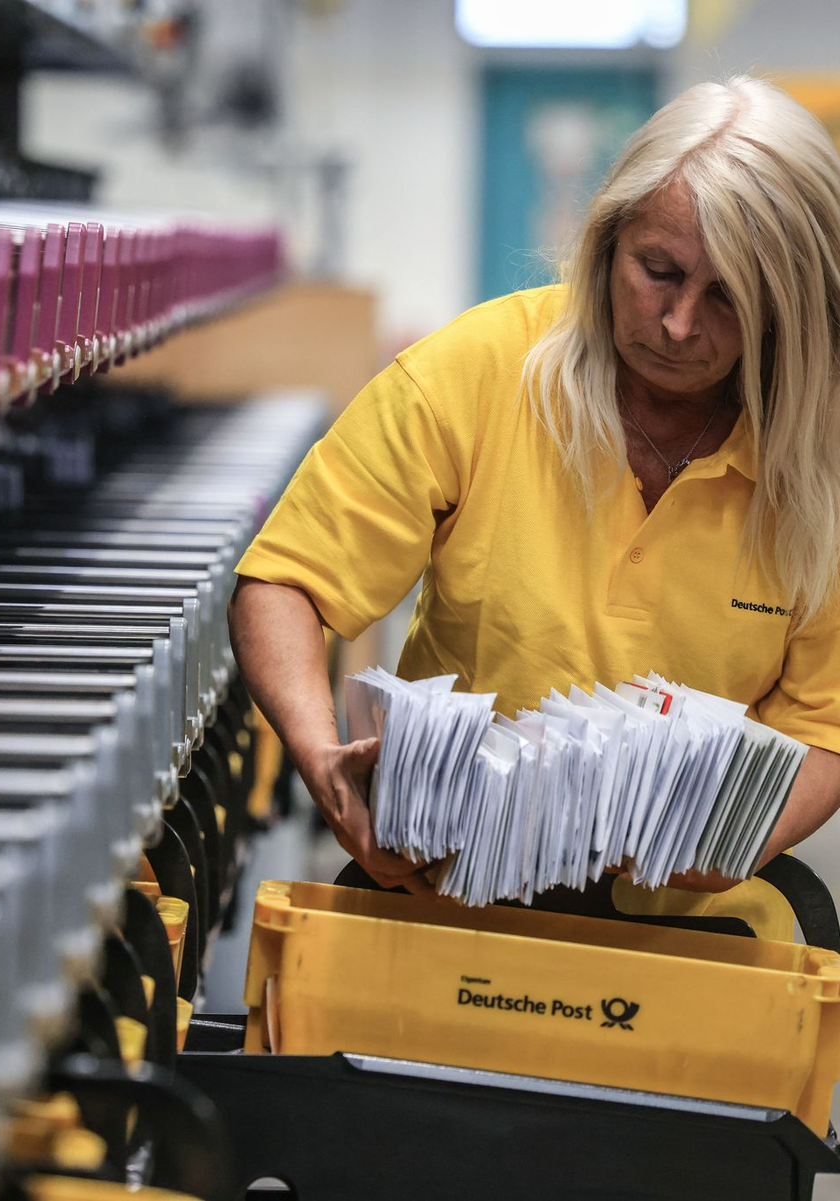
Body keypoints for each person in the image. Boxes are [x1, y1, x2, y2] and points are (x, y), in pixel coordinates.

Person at [228, 76, 840, 941]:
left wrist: (743, 838)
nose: (674, 323)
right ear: (606, 242)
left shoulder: (820, 458)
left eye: (730, 297)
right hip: (441, 883)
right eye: (657, 271)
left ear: (793, 306)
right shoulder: (480, 372)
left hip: (689, 913)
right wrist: (320, 756)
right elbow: (287, 582)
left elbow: (824, 719)